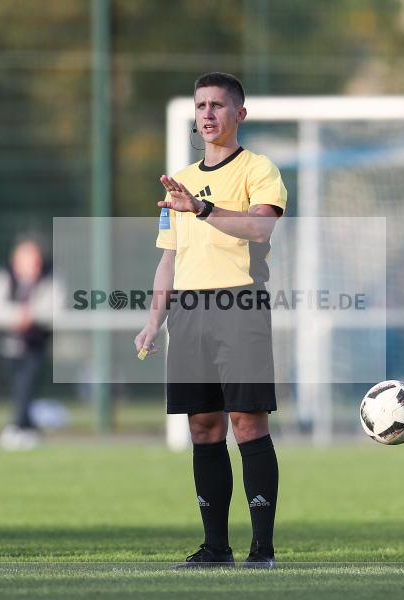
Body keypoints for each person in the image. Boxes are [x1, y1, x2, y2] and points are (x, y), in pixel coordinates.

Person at [134, 72, 287, 568]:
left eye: (218, 105)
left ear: (238, 114)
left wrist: (201, 206)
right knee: (203, 426)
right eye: (201, 105)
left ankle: (261, 549)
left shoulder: (258, 169)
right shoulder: (179, 177)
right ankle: (215, 547)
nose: (207, 114)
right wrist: (154, 319)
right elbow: (168, 259)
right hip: (191, 314)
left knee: (246, 423)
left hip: (239, 306)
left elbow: (259, 227)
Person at [0, 236, 59, 451]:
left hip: (36, 344)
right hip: (9, 344)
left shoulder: (49, 277)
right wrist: (18, 316)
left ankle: (17, 427)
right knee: (19, 389)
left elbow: (54, 306)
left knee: (27, 386)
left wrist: (31, 317)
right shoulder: (3, 276)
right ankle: (26, 427)